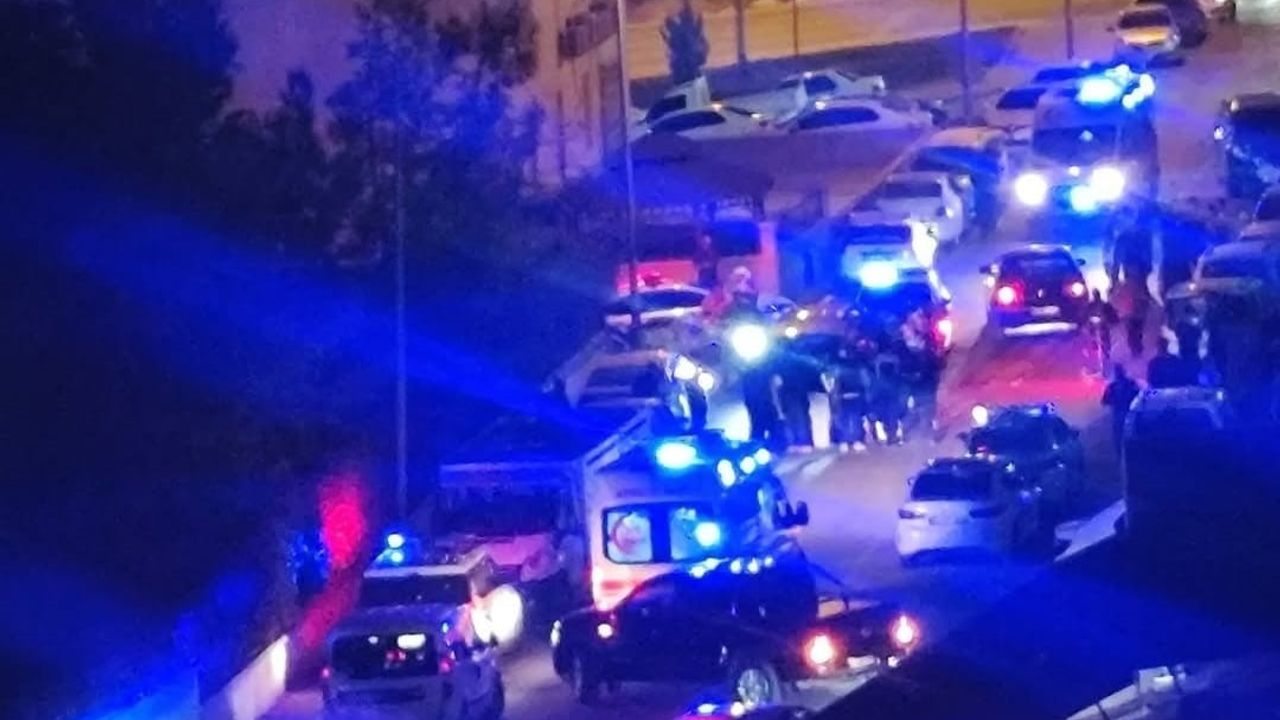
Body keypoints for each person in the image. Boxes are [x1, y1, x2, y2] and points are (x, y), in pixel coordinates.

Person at [827, 339, 872, 453]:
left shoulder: (838, 366)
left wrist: (833, 394)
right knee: (853, 419)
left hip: (845, 395)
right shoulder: (857, 364)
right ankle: (853, 441)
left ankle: (846, 441)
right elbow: (865, 380)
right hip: (852, 394)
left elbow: (832, 382)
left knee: (845, 419)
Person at [1102, 366, 1141, 452]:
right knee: (1131, 438)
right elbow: (1138, 397)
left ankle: (1121, 456)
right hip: (1130, 415)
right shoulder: (1131, 384)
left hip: (1118, 416)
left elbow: (1105, 401)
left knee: (1118, 440)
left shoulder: (1112, 386)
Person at [1087, 290, 1119, 369]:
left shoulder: (1105, 305)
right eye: (1095, 295)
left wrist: (1109, 321)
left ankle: (1107, 357)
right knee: (1092, 343)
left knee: (1106, 343)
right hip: (1093, 328)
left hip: (1104, 327)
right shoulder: (1090, 306)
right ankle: (1094, 360)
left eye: (1097, 295)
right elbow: (1085, 315)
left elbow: (1113, 316)